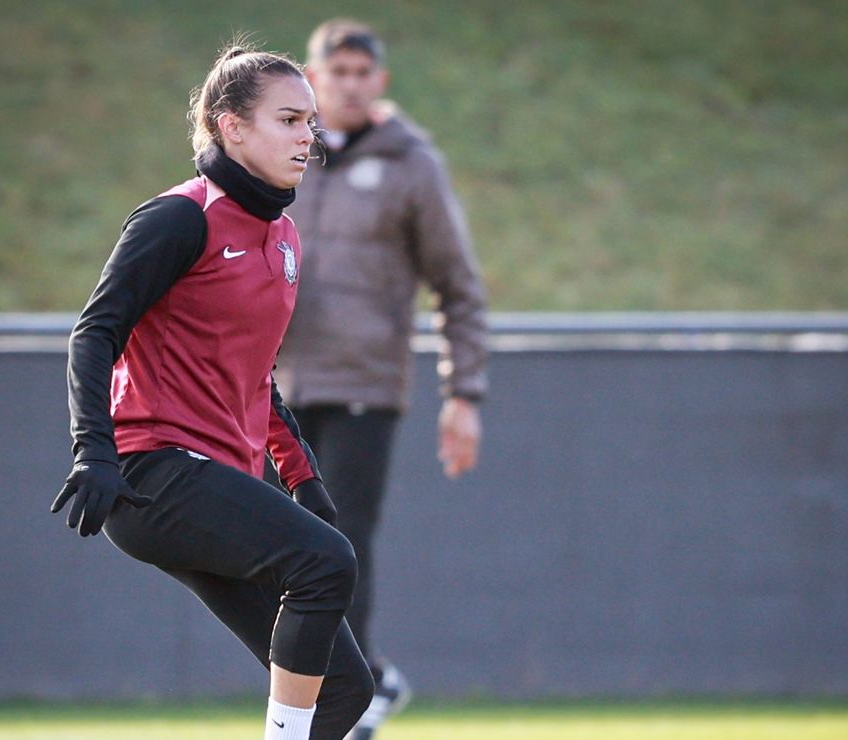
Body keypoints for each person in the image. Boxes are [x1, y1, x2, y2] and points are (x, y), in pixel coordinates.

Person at [50, 43, 374, 740]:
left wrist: (302, 477)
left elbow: (257, 375)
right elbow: (93, 334)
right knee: (325, 563)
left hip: (218, 472)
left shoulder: (283, 235)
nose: (307, 137)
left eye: (310, 123)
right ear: (231, 126)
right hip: (152, 472)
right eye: (289, 119)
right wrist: (93, 453)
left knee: (346, 691)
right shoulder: (178, 218)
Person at [273, 19, 489, 740]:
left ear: (381, 82)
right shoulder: (283, 153)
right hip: (276, 390)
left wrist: (464, 394)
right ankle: (365, 676)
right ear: (312, 76)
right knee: (272, 551)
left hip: (365, 386)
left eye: (364, 72)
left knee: (340, 545)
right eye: (338, 72)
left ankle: (347, 707)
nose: (351, 84)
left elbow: (457, 285)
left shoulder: (411, 165)